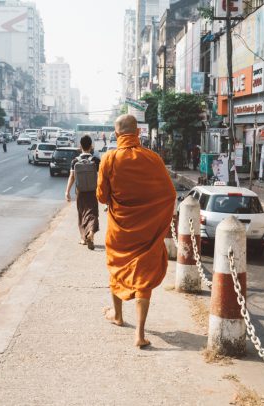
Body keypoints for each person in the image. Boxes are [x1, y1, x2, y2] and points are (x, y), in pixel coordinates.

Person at [96, 114, 177, 348]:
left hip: (120, 228)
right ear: (138, 133)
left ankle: (118, 316)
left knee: (116, 268)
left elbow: (102, 197)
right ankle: (139, 335)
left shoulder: (109, 159)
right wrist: (155, 219)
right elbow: (170, 195)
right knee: (143, 278)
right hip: (147, 232)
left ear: (116, 134)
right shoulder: (153, 159)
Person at [65, 135, 100, 250]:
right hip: (93, 191)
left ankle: (83, 239)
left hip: (80, 192)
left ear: (80, 146)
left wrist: (67, 191)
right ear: (91, 146)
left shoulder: (75, 161)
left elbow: (72, 176)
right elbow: (101, 177)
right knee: (93, 213)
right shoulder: (96, 160)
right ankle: (91, 233)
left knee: (82, 214)